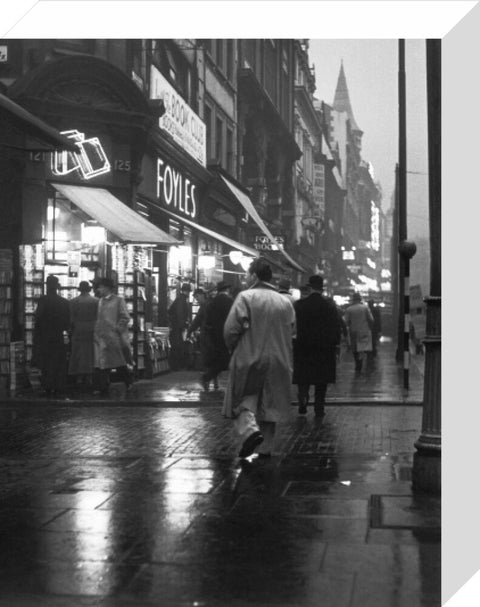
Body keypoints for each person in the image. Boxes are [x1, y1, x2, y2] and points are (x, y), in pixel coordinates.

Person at [222, 257, 296, 459]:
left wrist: (234, 348)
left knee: (242, 398)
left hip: (250, 356)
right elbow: (292, 332)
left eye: (246, 274)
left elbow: (231, 330)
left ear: (254, 276)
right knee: (270, 405)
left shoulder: (246, 297)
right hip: (279, 359)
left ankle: (250, 433)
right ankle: (265, 449)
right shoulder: (285, 302)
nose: (245, 278)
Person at [293, 275, 342, 417]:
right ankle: (319, 408)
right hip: (324, 348)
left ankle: (303, 400)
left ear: (310, 287)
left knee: (304, 378)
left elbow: (293, 326)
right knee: (321, 381)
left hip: (303, 347)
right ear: (322, 288)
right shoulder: (329, 305)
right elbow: (335, 326)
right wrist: (336, 344)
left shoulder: (299, 305)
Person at [32, 274, 70, 397]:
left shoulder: (43, 300)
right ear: (57, 287)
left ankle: (48, 386)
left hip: (44, 336)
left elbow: (38, 318)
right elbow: (67, 322)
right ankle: (58, 386)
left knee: (46, 362)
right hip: (57, 336)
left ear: (47, 286)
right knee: (58, 361)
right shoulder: (63, 302)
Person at [93, 277, 132, 396]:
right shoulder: (100, 301)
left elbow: (125, 316)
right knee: (102, 363)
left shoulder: (118, 300)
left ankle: (128, 382)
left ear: (107, 287)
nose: (99, 289)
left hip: (113, 338)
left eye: (100, 287)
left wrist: (117, 329)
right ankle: (102, 386)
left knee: (118, 362)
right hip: (101, 337)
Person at [202, 281, 233, 391]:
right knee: (225, 360)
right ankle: (208, 377)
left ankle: (210, 378)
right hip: (226, 334)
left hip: (213, 335)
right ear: (227, 290)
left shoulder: (212, 303)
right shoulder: (230, 302)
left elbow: (208, 320)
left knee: (217, 358)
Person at [68, 281, 98, 386]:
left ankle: (79, 376)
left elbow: (71, 319)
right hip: (92, 329)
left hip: (78, 329)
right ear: (89, 289)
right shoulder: (96, 301)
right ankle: (89, 376)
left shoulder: (73, 302)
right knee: (90, 353)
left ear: (79, 289)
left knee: (78, 353)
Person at [343, 292, 374, 374]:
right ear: (360, 299)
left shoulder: (349, 309)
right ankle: (362, 364)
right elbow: (371, 319)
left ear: (353, 299)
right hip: (364, 331)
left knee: (355, 349)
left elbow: (345, 321)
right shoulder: (365, 308)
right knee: (363, 348)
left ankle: (358, 365)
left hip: (353, 331)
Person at [167, 283, 192, 370]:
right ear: (187, 292)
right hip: (178, 328)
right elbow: (180, 314)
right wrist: (183, 327)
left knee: (176, 346)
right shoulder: (182, 300)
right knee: (178, 346)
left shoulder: (180, 299)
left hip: (176, 327)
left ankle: (176, 365)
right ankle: (176, 366)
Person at [187, 287, 209, 373]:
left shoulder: (204, 306)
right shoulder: (209, 304)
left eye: (197, 297)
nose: (197, 300)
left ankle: (207, 374)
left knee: (206, 354)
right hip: (210, 334)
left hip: (207, 335)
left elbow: (197, 321)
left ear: (202, 295)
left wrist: (189, 331)